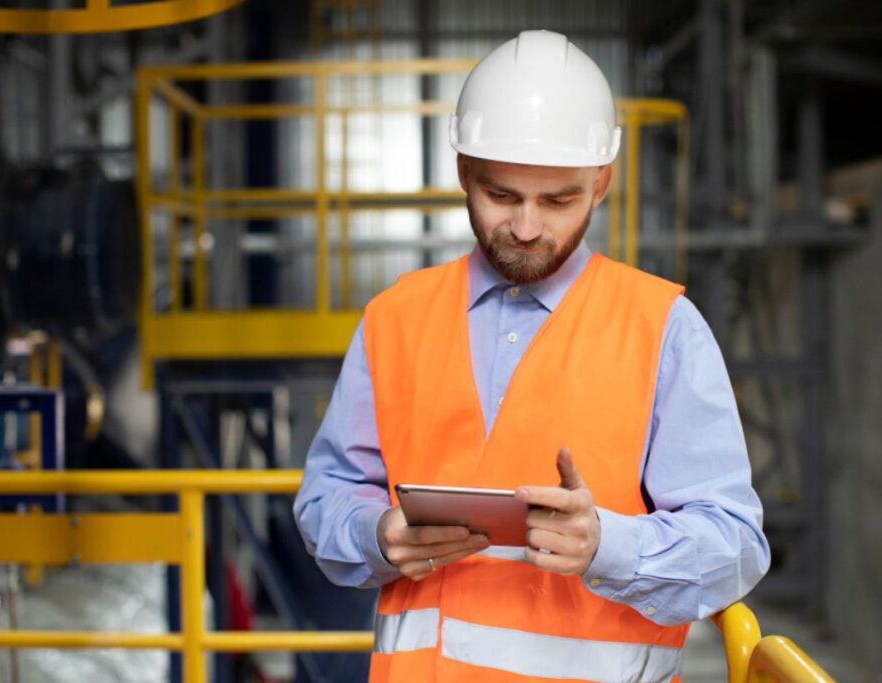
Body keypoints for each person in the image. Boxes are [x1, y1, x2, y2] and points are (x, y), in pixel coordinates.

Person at [294, 29, 770, 682]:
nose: (524, 227)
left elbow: (736, 546)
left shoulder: (665, 330)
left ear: (601, 181)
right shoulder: (393, 319)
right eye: (502, 196)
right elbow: (325, 498)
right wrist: (378, 535)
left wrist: (610, 544)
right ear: (464, 171)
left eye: (557, 200)